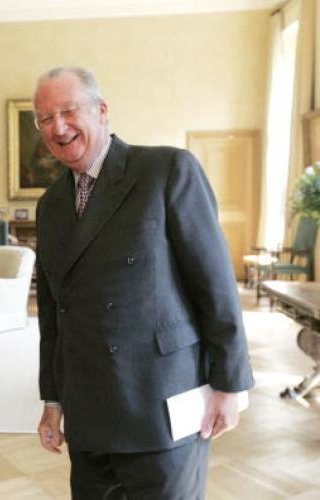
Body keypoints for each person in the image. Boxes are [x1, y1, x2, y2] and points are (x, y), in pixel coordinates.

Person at [33, 66, 254, 499]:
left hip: (160, 405)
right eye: (44, 118)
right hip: (88, 410)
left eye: (68, 110)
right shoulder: (51, 204)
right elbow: (52, 315)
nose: (57, 127)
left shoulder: (166, 170)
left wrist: (229, 384)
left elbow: (215, 287)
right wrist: (52, 401)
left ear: (101, 110)